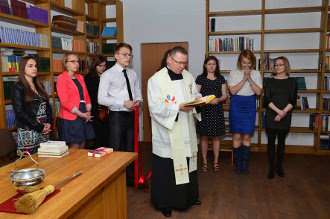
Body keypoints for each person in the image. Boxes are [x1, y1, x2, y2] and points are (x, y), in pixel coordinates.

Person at [147, 46, 201, 217]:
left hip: (186, 127)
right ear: (169, 59)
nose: (182, 66)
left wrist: (198, 99)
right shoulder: (156, 80)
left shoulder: (188, 76)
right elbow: (155, 107)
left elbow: (193, 94)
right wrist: (177, 108)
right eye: (179, 62)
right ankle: (165, 202)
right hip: (168, 131)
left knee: (187, 163)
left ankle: (188, 197)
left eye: (185, 62)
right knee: (167, 168)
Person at [98, 43, 142, 187]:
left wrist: (138, 101)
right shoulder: (107, 74)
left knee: (131, 149)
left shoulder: (132, 73)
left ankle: (130, 178)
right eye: (125, 54)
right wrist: (123, 103)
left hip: (131, 115)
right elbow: (101, 99)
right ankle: (115, 181)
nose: (128, 57)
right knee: (116, 149)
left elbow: (137, 92)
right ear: (116, 56)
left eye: (130, 55)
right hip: (117, 116)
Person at [228, 49, 262, 174]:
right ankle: (238, 164)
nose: (246, 65)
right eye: (244, 63)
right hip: (237, 104)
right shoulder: (234, 73)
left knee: (247, 135)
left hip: (249, 105)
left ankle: (244, 163)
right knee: (236, 135)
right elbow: (232, 91)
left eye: (248, 63)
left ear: (252, 62)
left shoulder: (257, 74)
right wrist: (244, 79)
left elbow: (258, 92)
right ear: (239, 62)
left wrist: (250, 79)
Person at [264, 56, 297, 179]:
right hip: (272, 114)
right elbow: (266, 100)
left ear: (286, 66)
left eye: (280, 64)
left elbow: (293, 100)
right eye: (276, 65)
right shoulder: (269, 81)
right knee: (271, 142)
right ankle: (272, 167)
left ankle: (279, 166)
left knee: (282, 142)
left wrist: (283, 112)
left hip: (285, 114)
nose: (278, 67)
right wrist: (278, 112)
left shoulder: (292, 81)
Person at [11, 56, 52, 156]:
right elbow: (20, 113)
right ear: (22, 68)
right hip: (29, 132)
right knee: (30, 164)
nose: (34, 69)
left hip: (44, 130)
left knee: (46, 161)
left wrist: (48, 124)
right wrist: (39, 127)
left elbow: (47, 107)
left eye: (35, 66)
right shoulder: (18, 87)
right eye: (30, 66)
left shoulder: (40, 85)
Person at [56, 52, 95, 149]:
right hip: (71, 115)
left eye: (77, 61)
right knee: (75, 145)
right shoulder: (62, 78)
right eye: (73, 61)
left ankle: (82, 165)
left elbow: (86, 96)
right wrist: (81, 114)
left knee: (83, 143)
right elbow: (64, 102)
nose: (76, 64)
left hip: (83, 112)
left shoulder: (80, 77)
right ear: (66, 64)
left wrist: (88, 111)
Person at [196, 56, 227, 172]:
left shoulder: (221, 78)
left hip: (217, 110)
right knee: (203, 137)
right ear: (205, 65)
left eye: (214, 64)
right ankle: (204, 161)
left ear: (216, 66)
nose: (211, 66)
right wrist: (207, 100)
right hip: (204, 110)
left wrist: (218, 99)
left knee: (216, 137)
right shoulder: (200, 78)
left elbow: (225, 95)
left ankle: (215, 161)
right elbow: (196, 95)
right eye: (209, 64)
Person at [84, 55, 108, 148]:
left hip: (105, 111)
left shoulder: (107, 76)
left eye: (104, 66)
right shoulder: (89, 78)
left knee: (106, 136)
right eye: (100, 66)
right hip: (94, 110)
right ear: (94, 66)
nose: (103, 68)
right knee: (97, 136)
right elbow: (89, 95)